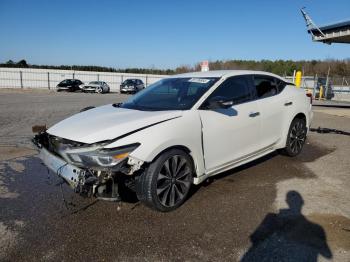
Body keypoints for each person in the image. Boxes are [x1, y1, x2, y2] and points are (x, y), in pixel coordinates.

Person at [241, 191, 332, 262]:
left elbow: (255, 238)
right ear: (302, 202)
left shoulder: (271, 219)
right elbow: (327, 254)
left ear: (287, 201)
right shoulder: (316, 228)